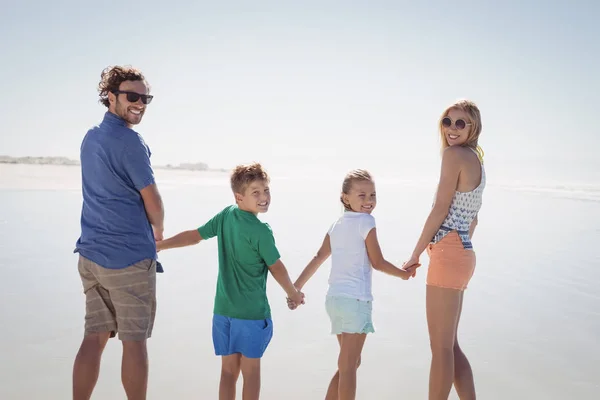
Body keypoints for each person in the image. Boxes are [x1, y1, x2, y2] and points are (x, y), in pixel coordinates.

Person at [155, 162, 304, 400]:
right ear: (239, 196)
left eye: (266, 190)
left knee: (227, 372)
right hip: (252, 315)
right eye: (255, 192)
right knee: (251, 373)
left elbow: (195, 236)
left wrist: (160, 245)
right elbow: (277, 268)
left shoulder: (226, 216)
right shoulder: (261, 231)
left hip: (223, 313)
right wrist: (293, 294)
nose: (264, 197)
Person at [72, 65, 164, 400]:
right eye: (132, 96)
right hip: (127, 259)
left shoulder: (90, 138)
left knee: (94, 337)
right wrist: (159, 229)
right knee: (134, 341)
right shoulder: (130, 142)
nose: (139, 103)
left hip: (91, 256)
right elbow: (151, 198)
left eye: (145, 97)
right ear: (110, 97)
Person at [288, 169, 416, 400]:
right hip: (355, 301)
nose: (369, 201)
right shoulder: (366, 222)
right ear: (345, 197)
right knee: (348, 366)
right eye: (362, 195)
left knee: (350, 362)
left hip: (334, 301)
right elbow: (377, 262)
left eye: (372, 195)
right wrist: (403, 274)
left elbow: (318, 257)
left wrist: (295, 288)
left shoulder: (337, 224)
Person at [402, 99, 485, 400]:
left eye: (460, 123)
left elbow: (440, 209)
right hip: (464, 252)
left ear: (472, 127)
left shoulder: (453, 155)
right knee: (450, 346)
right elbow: (473, 217)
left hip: (450, 253)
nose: (452, 129)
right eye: (447, 122)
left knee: (440, 348)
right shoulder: (476, 159)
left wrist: (415, 253)